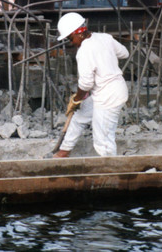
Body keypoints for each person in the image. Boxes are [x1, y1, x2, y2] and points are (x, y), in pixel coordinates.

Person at [53, 12, 129, 158]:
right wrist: (105, 57)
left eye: (70, 38)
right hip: (105, 91)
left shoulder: (85, 51)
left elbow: (86, 83)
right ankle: (64, 150)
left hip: (109, 96)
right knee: (79, 116)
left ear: (79, 33)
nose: (71, 43)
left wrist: (76, 99)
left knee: (103, 139)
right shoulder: (104, 38)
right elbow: (124, 53)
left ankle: (110, 172)